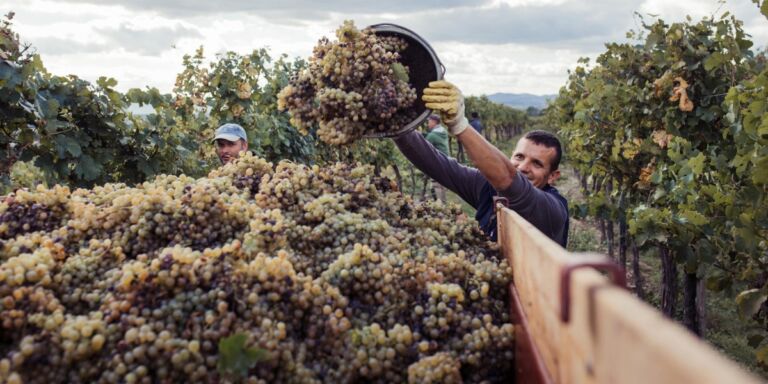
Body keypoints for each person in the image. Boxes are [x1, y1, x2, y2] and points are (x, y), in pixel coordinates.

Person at [393, 80, 569, 247]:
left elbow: (510, 181)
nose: (523, 168)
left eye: (537, 164)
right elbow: (437, 164)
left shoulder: (552, 210)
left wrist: (459, 125)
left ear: (553, 176)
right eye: (519, 157)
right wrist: (396, 124)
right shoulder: (487, 187)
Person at [422, 114, 449, 201]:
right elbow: (432, 137)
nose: (427, 124)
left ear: (434, 122)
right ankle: (444, 203)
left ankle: (440, 205)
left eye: (429, 122)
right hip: (446, 160)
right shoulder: (443, 132)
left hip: (437, 162)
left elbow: (424, 148)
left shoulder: (432, 136)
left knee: (436, 184)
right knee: (442, 184)